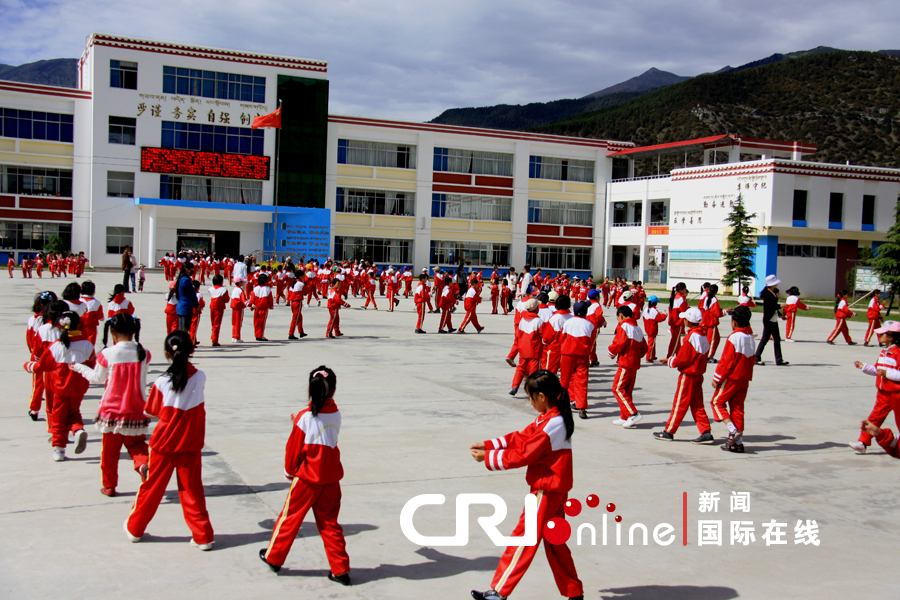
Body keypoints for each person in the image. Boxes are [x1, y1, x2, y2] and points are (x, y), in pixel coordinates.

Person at [469, 370, 583, 600]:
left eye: (531, 398)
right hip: (556, 489)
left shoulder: (553, 424)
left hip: (546, 490)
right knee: (555, 543)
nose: (531, 403)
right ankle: (574, 592)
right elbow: (521, 437)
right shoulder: (550, 418)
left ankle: (499, 591)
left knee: (523, 538)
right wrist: (490, 445)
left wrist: (488, 458)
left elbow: (524, 454)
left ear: (541, 396)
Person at [259, 366, 351, 586]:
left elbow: (294, 450)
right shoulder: (336, 414)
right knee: (330, 524)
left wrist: (290, 472)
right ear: (334, 391)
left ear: (310, 389)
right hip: (330, 479)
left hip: (307, 479)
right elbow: (321, 431)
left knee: (289, 518)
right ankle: (340, 569)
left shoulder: (304, 417)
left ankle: (274, 557)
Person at [124, 331, 215, 550]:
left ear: (167, 353)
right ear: (191, 351)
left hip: (164, 442)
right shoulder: (200, 376)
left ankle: (135, 528)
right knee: (192, 489)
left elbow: (151, 411)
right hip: (190, 442)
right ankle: (203, 535)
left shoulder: (161, 381)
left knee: (152, 487)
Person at [70, 314, 150, 497]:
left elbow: (97, 379)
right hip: (136, 409)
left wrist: (79, 368)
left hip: (112, 411)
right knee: (137, 445)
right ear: (134, 330)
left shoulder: (107, 354)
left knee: (109, 453)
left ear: (112, 331)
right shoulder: (144, 352)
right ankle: (144, 466)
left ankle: (109, 485)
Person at [25, 307, 95, 461]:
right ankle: (77, 430)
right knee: (74, 412)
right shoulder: (87, 345)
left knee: (58, 418)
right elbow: (92, 365)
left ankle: (59, 449)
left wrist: (29, 366)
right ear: (79, 325)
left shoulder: (57, 345)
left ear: (61, 326)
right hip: (79, 388)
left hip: (61, 388)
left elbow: (42, 365)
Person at [654, 307, 714, 443]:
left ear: (688, 321)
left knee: (680, 404)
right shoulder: (703, 335)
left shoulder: (691, 337)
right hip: (698, 375)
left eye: (685, 319)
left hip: (688, 375)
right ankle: (705, 431)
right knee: (697, 404)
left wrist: (670, 360)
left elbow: (685, 358)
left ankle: (669, 431)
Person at [849, 320, 900, 454]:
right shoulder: (884, 352)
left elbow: (890, 373)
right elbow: (877, 370)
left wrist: (888, 373)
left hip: (896, 394)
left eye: (882, 334)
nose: (879, 336)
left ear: (891, 337)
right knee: (874, 417)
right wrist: (864, 367)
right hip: (883, 393)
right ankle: (863, 442)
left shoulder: (898, 353)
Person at [711, 305, 756, 452]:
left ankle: (732, 430)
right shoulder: (750, 338)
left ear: (734, 322)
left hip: (732, 378)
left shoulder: (734, 337)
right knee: (737, 409)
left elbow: (726, 361)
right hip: (744, 378)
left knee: (717, 403)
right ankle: (739, 443)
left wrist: (717, 378)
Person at [607, 305, 648, 428]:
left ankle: (633, 413)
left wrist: (612, 352)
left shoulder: (624, 326)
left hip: (626, 363)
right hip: (634, 363)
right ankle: (624, 416)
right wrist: (636, 356)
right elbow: (644, 348)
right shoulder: (637, 328)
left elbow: (619, 342)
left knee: (617, 389)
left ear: (621, 316)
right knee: (626, 391)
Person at [560, 300, 593, 420]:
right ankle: (582, 407)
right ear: (586, 311)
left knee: (565, 380)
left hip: (568, 354)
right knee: (582, 381)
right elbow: (591, 342)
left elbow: (562, 338)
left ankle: (561, 405)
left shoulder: (568, 323)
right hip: (583, 356)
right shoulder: (590, 325)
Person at [510, 298, 544, 396]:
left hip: (523, 347)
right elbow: (543, 336)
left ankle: (515, 386)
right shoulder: (538, 321)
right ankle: (531, 389)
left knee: (521, 367)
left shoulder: (522, 320)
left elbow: (518, 335)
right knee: (533, 371)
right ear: (535, 308)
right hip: (534, 349)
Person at [754, 275, 789, 366]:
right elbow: (770, 306)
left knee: (777, 339)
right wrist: (781, 306)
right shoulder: (767, 293)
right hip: (768, 320)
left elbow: (774, 307)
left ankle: (779, 359)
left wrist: (780, 315)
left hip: (773, 319)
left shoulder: (772, 293)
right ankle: (756, 358)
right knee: (765, 339)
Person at [702, 284, 725, 363]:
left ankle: (708, 355)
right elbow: (717, 313)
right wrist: (724, 312)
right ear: (716, 292)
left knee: (716, 338)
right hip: (712, 322)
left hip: (707, 321)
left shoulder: (707, 298)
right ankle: (709, 356)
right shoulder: (714, 299)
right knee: (712, 340)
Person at [666, 283, 689, 359]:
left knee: (677, 339)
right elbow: (683, 310)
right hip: (678, 321)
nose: (685, 290)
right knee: (675, 340)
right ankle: (670, 356)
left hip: (673, 321)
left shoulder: (674, 297)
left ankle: (679, 355)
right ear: (681, 290)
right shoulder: (680, 298)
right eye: (684, 288)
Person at [642, 295, 667, 363]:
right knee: (651, 343)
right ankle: (649, 357)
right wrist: (664, 314)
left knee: (652, 342)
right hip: (652, 329)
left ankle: (652, 356)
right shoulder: (654, 310)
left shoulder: (646, 309)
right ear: (655, 303)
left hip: (647, 327)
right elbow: (660, 319)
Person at [175, 262, 199, 333]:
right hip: (186, 306)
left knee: (181, 329)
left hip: (180, 305)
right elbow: (192, 293)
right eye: (191, 268)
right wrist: (196, 304)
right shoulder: (186, 280)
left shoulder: (180, 279)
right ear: (186, 269)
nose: (192, 270)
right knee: (185, 330)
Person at [80, 281, 104, 347]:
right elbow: (101, 317)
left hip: (79, 326)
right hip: (91, 328)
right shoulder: (97, 303)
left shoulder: (78, 301)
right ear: (93, 291)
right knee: (90, 346)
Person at [250, 273, 274, 341]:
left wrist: (251, 305)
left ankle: (257, 334)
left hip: (256, 307)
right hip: (264, 308)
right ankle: (260, 335)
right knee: (262, 322)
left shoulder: (255, 288)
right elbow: (270, 299)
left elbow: (252, 298)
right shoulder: (268, 289)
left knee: (256, 322)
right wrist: (271, 306)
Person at [207, 275, 228, 346]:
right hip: (219, 308)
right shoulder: (224, 290)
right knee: (217, 324)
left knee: (213, 323)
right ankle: (214, 340)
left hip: (212, 307)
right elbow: (226, 300)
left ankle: (213, 336)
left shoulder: (211, 288)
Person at [288, 270, 308, 340]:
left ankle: (301, 332)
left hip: (292, 302)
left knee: (299, 317)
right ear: (300, 276)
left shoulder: (293, 283)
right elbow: (308, 290)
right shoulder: (300, 283)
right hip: (297, 302)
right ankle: (291, 334)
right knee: (295, 318)